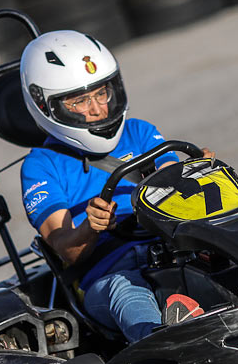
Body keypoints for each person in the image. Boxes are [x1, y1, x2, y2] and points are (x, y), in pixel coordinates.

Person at [19, 30, 212, 342]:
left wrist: (196, 172)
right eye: (80, 100)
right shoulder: (41, 165)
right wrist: (90, 228)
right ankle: (160, 341)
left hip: (167, 246)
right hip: (106, 273)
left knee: (221, 242)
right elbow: (65, 248)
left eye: (101, 93)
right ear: (46, 106)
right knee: (127, 291)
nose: (97, 109)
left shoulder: (139, 132)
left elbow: (172, 172)